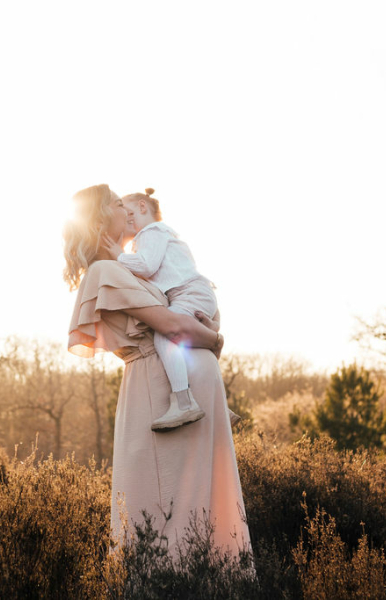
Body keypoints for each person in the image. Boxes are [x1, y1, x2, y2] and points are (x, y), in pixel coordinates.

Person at [64, 183, 251, 558]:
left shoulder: (134, 266)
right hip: (160, 393)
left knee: (202, 502)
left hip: (185, 395)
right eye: (119, 204)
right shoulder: (106, 271)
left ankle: (212, 582)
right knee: (170, 503)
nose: (127, 210)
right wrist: (213, 341)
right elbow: (174, 327)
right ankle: (172, 584)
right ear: (102, 219)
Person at [101, 187, 218, 431]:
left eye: (130, 213)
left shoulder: (151, 232)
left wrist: (118, 255)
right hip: (192, 293)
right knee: (189, 347)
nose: (128, 221)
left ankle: (184, 402)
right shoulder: (161, 236)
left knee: (164, 338)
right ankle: (215, 403)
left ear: (143, 207)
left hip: (188, 293)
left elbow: (146, 265)